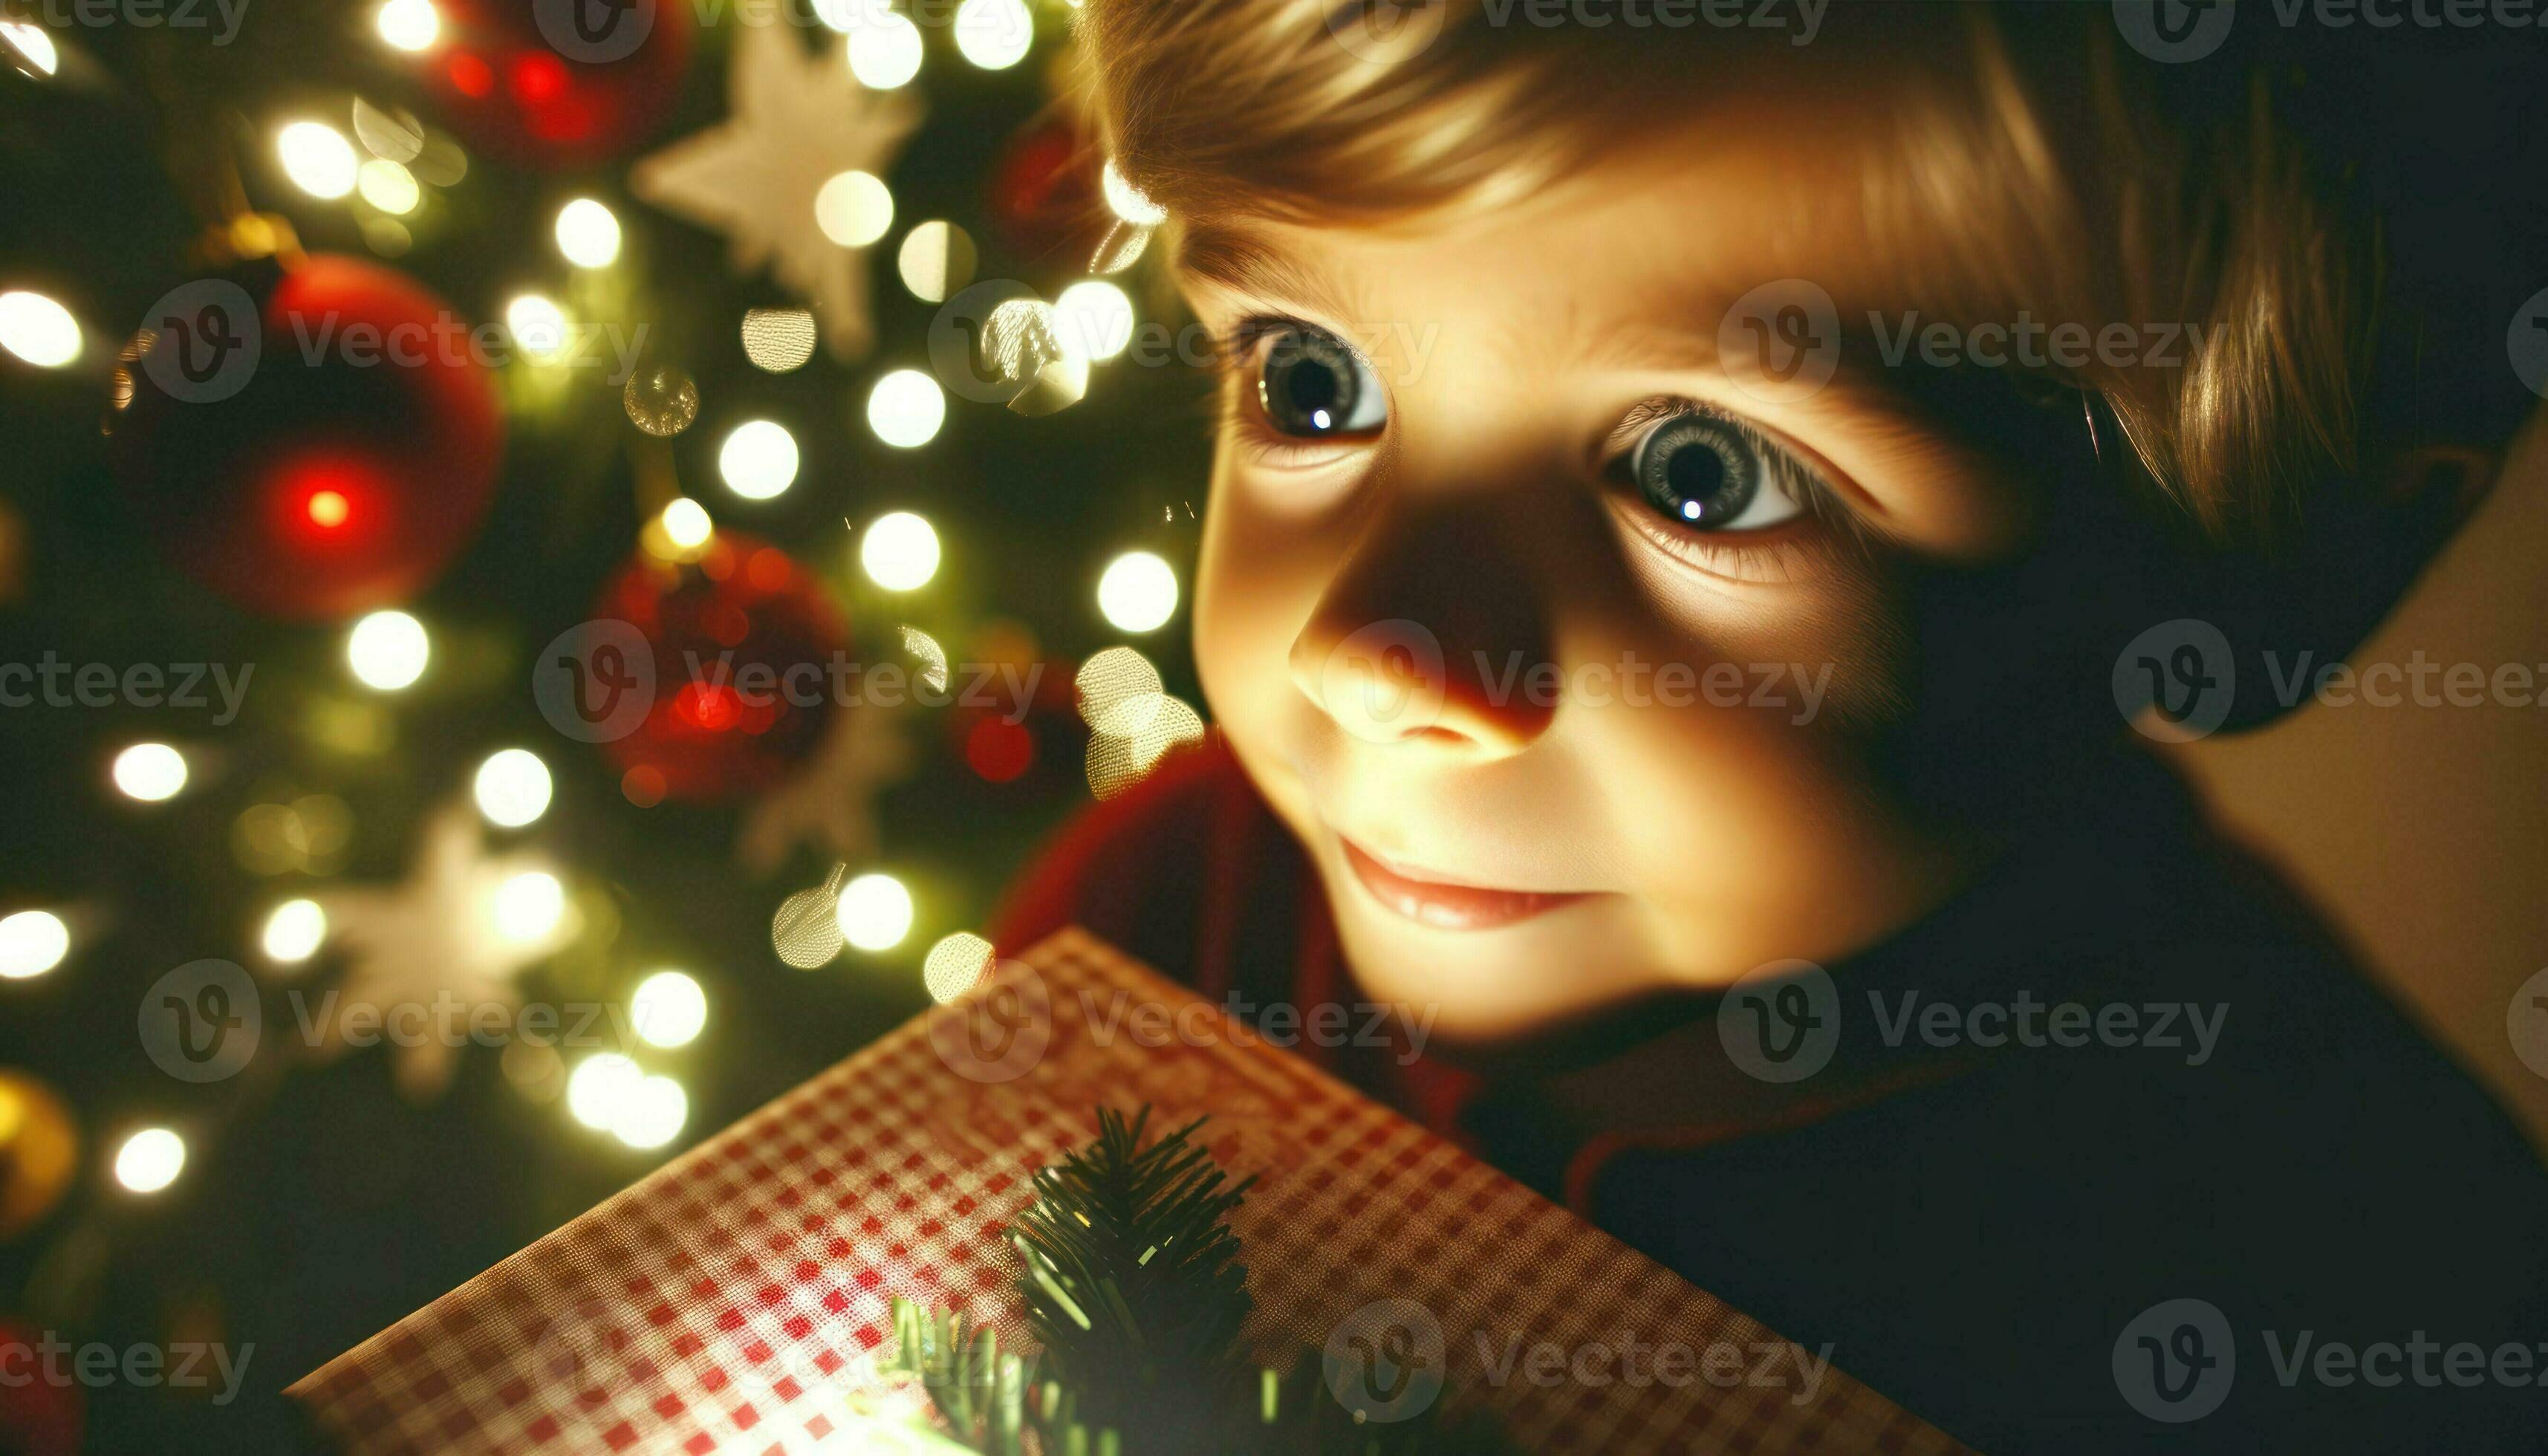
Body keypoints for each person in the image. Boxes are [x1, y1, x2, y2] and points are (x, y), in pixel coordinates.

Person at [997, 4, 2548, 1448]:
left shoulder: (2334, 1280)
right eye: (1309, 379)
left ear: (2291, 579)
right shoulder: (1158, 924)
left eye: (1702, 473)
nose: (1374, 654)